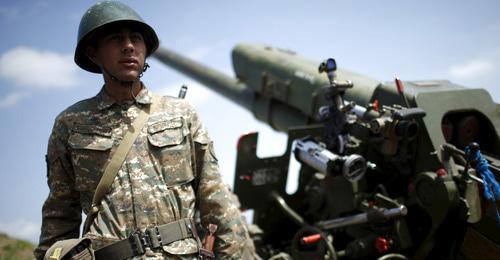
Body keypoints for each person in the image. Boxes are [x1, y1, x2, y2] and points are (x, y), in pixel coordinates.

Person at [34, 1, 254, 259]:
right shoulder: (70, 124)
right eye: (116, 39)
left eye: (136, 38)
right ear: (93, 53)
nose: (128, 46)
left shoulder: (181, 113)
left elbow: (216, 198)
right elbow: (59, 215)